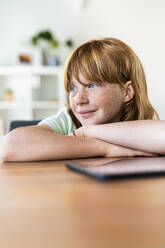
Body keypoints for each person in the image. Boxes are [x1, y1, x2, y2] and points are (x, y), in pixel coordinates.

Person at [0, 37, 164, 162]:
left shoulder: (137, 121)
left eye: (92, 85)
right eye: (72, 88)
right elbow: (9, 145)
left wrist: (88, 132)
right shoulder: (68, 118)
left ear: (127, 92)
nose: (78, 100)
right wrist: (102, 147)